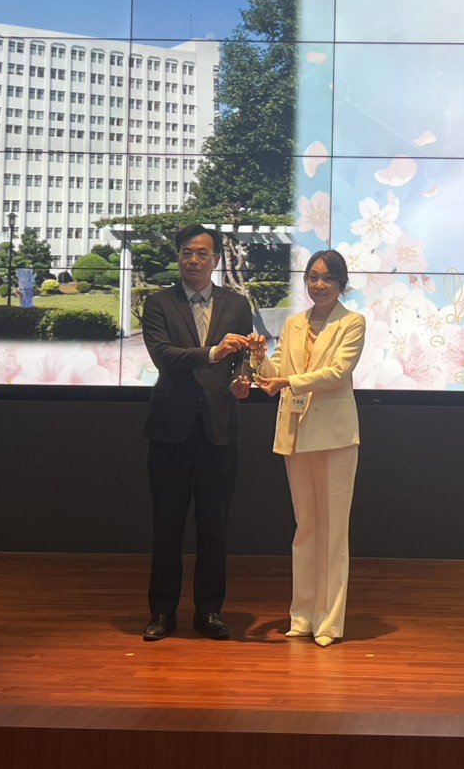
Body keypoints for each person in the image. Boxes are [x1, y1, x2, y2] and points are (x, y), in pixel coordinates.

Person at [139, 224, 255, 642]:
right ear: (178, 257)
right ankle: (162, 612)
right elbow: (162, 355)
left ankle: (209, 611)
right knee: (166, 525)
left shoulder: (236, 304)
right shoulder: (158, 303)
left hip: (219, 428)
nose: (193, 260)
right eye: (187, 252)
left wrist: (243, 378)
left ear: (216, 260)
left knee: (214, 525)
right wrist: (212, 353)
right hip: (170, 428)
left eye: (202, 253)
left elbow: (243, 359)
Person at [254, 249, 366, 648]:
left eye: (328, 278)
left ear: (341, 284)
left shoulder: (352, 323)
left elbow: (337, 373)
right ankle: (301, 616)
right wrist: (259, 357)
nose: (319, 285)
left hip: (335, 439)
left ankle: (329, 622)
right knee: (306, 529)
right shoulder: (294, 323)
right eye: (313, 278)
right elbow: (277, 372)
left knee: (333, 532)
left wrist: (287, 382)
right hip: (297, 435)